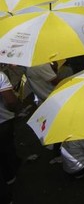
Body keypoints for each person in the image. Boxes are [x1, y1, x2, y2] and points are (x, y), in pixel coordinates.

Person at [0, 69, 20, 199]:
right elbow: (11, 101)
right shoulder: (0, 76)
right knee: (7, 149)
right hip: (4, 122)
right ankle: (10, 176)